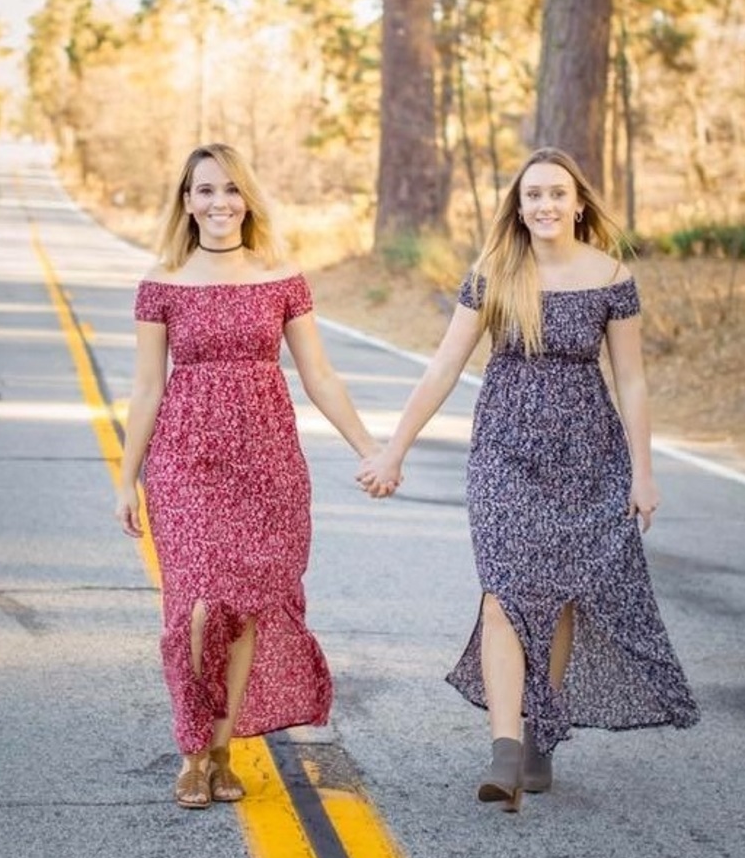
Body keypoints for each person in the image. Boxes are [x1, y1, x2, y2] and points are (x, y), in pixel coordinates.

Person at [356, 145, 699, 813]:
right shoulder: (494, 273)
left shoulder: (610, 275)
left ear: (578, 203)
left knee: (562, 593)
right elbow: (444, 367)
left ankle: (542, 729)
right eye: (531, 195)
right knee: (503, 591)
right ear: (518, 207)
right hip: (505, 451)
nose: (543, 205)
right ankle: (505, 748)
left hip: (589, 454)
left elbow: (631, 379)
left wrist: (644, 473)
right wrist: (394, 449)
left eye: (555, 194)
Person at [115, 142, 383, 810]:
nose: (219, 203)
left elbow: (318, 373)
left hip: (266, 462)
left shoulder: (282, 275)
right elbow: (147, 389)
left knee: (243, 611)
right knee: (198, 607)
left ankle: (223, 752)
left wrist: (367, 447)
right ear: (186, 201)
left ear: (248, 199)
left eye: (231, 190)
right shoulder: (162, 282)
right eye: (205, 190)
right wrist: (126, 480)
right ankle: (191, 751)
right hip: (185, 460)